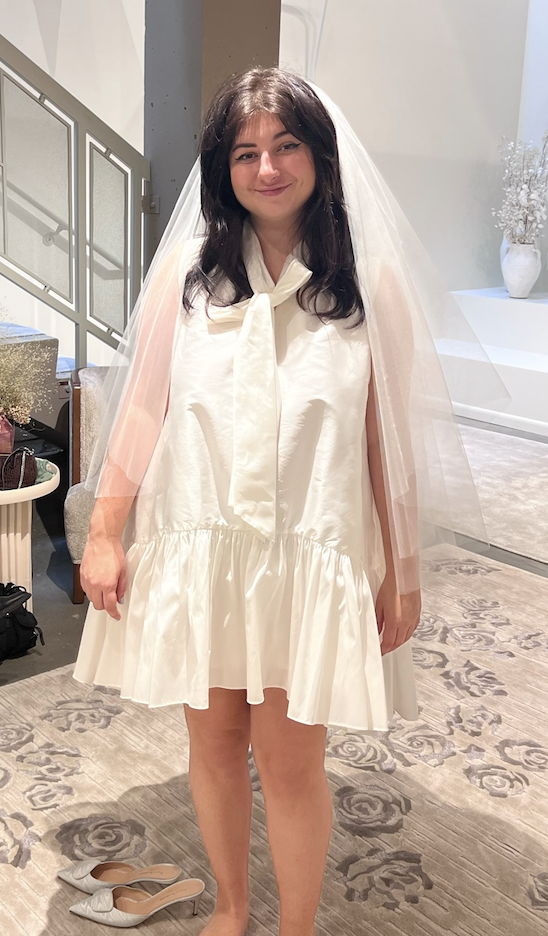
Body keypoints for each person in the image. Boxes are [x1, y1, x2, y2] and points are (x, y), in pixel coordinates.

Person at [73, 67, 495, 936]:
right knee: (215, 744)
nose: (267, 167)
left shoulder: (368, 287)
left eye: (286, 145)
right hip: (205, 550)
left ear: (320, 156)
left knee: (293, 760)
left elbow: (388, 443)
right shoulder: (186, 282)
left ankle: (294, 927)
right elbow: (142, 411)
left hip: (309, 555)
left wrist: (403, 570)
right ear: (221, 169)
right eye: (246, 152)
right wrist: (106, 531)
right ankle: (230, 907)